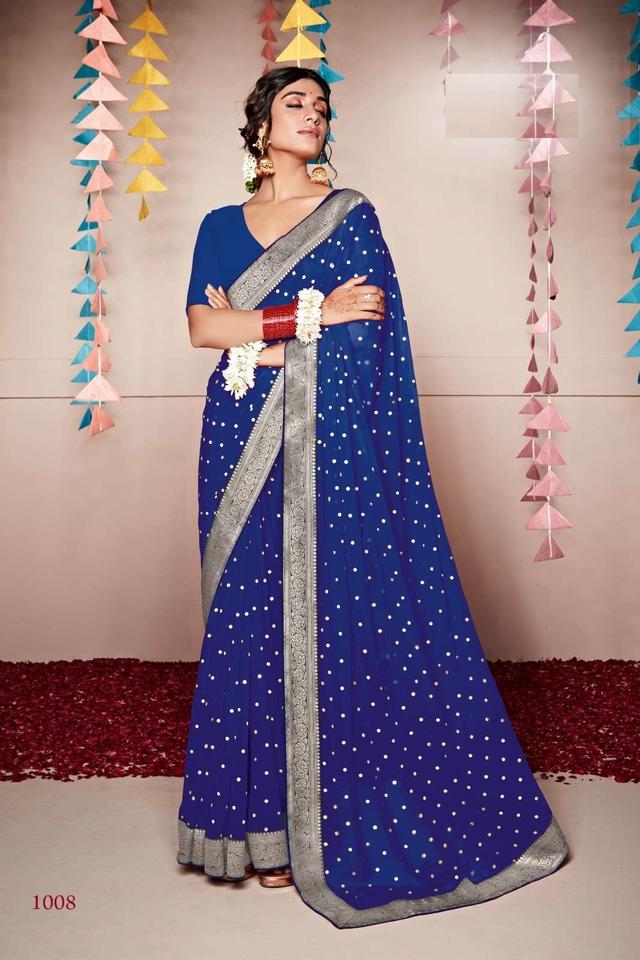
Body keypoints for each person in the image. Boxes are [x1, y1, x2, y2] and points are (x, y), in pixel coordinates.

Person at [176, 66, 569, 929]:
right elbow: (203, 328)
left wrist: (261, 336)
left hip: (326, 450)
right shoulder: (217, 225)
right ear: (259, 125)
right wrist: (308, 318)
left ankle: (315, 827)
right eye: (295, 103)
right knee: (248, 621)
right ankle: (257, 832)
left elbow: (370, 339)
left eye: (321, 106)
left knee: (328, 618)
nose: (313, 114)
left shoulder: (350, 216)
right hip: (237, 441)